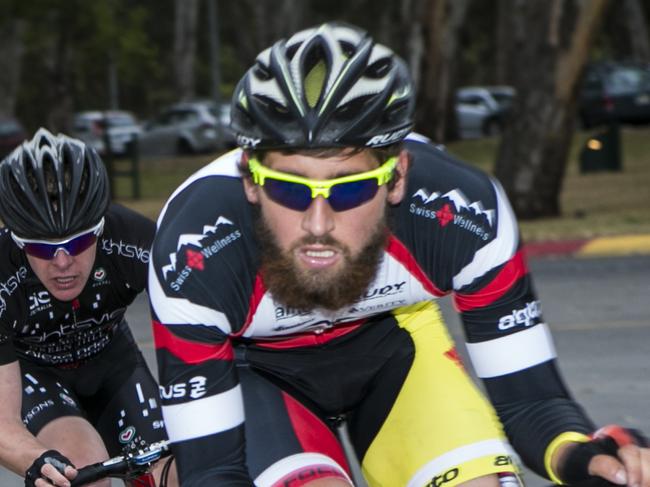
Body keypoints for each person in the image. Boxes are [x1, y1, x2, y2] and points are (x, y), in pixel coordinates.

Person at [148, 22, 649, 486]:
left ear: (397, 178)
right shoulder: (195, 252)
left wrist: (587, 458)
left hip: (393, 349)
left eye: (349, 190)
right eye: (289, 189)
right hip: (255, 374)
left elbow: (532, 403)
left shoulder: (463, 213)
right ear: (250, 183)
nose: (318, 224)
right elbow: (213, 472)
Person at [0, 128, 176, 487]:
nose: (63, 263)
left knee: (173, 472)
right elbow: (3, 422)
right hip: (35, 374)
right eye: (42, 248)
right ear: (18, 240)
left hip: (114, 362)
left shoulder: (135, 241)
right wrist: (37, 461)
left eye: (79, 242)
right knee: (79, 469)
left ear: (100, 228)